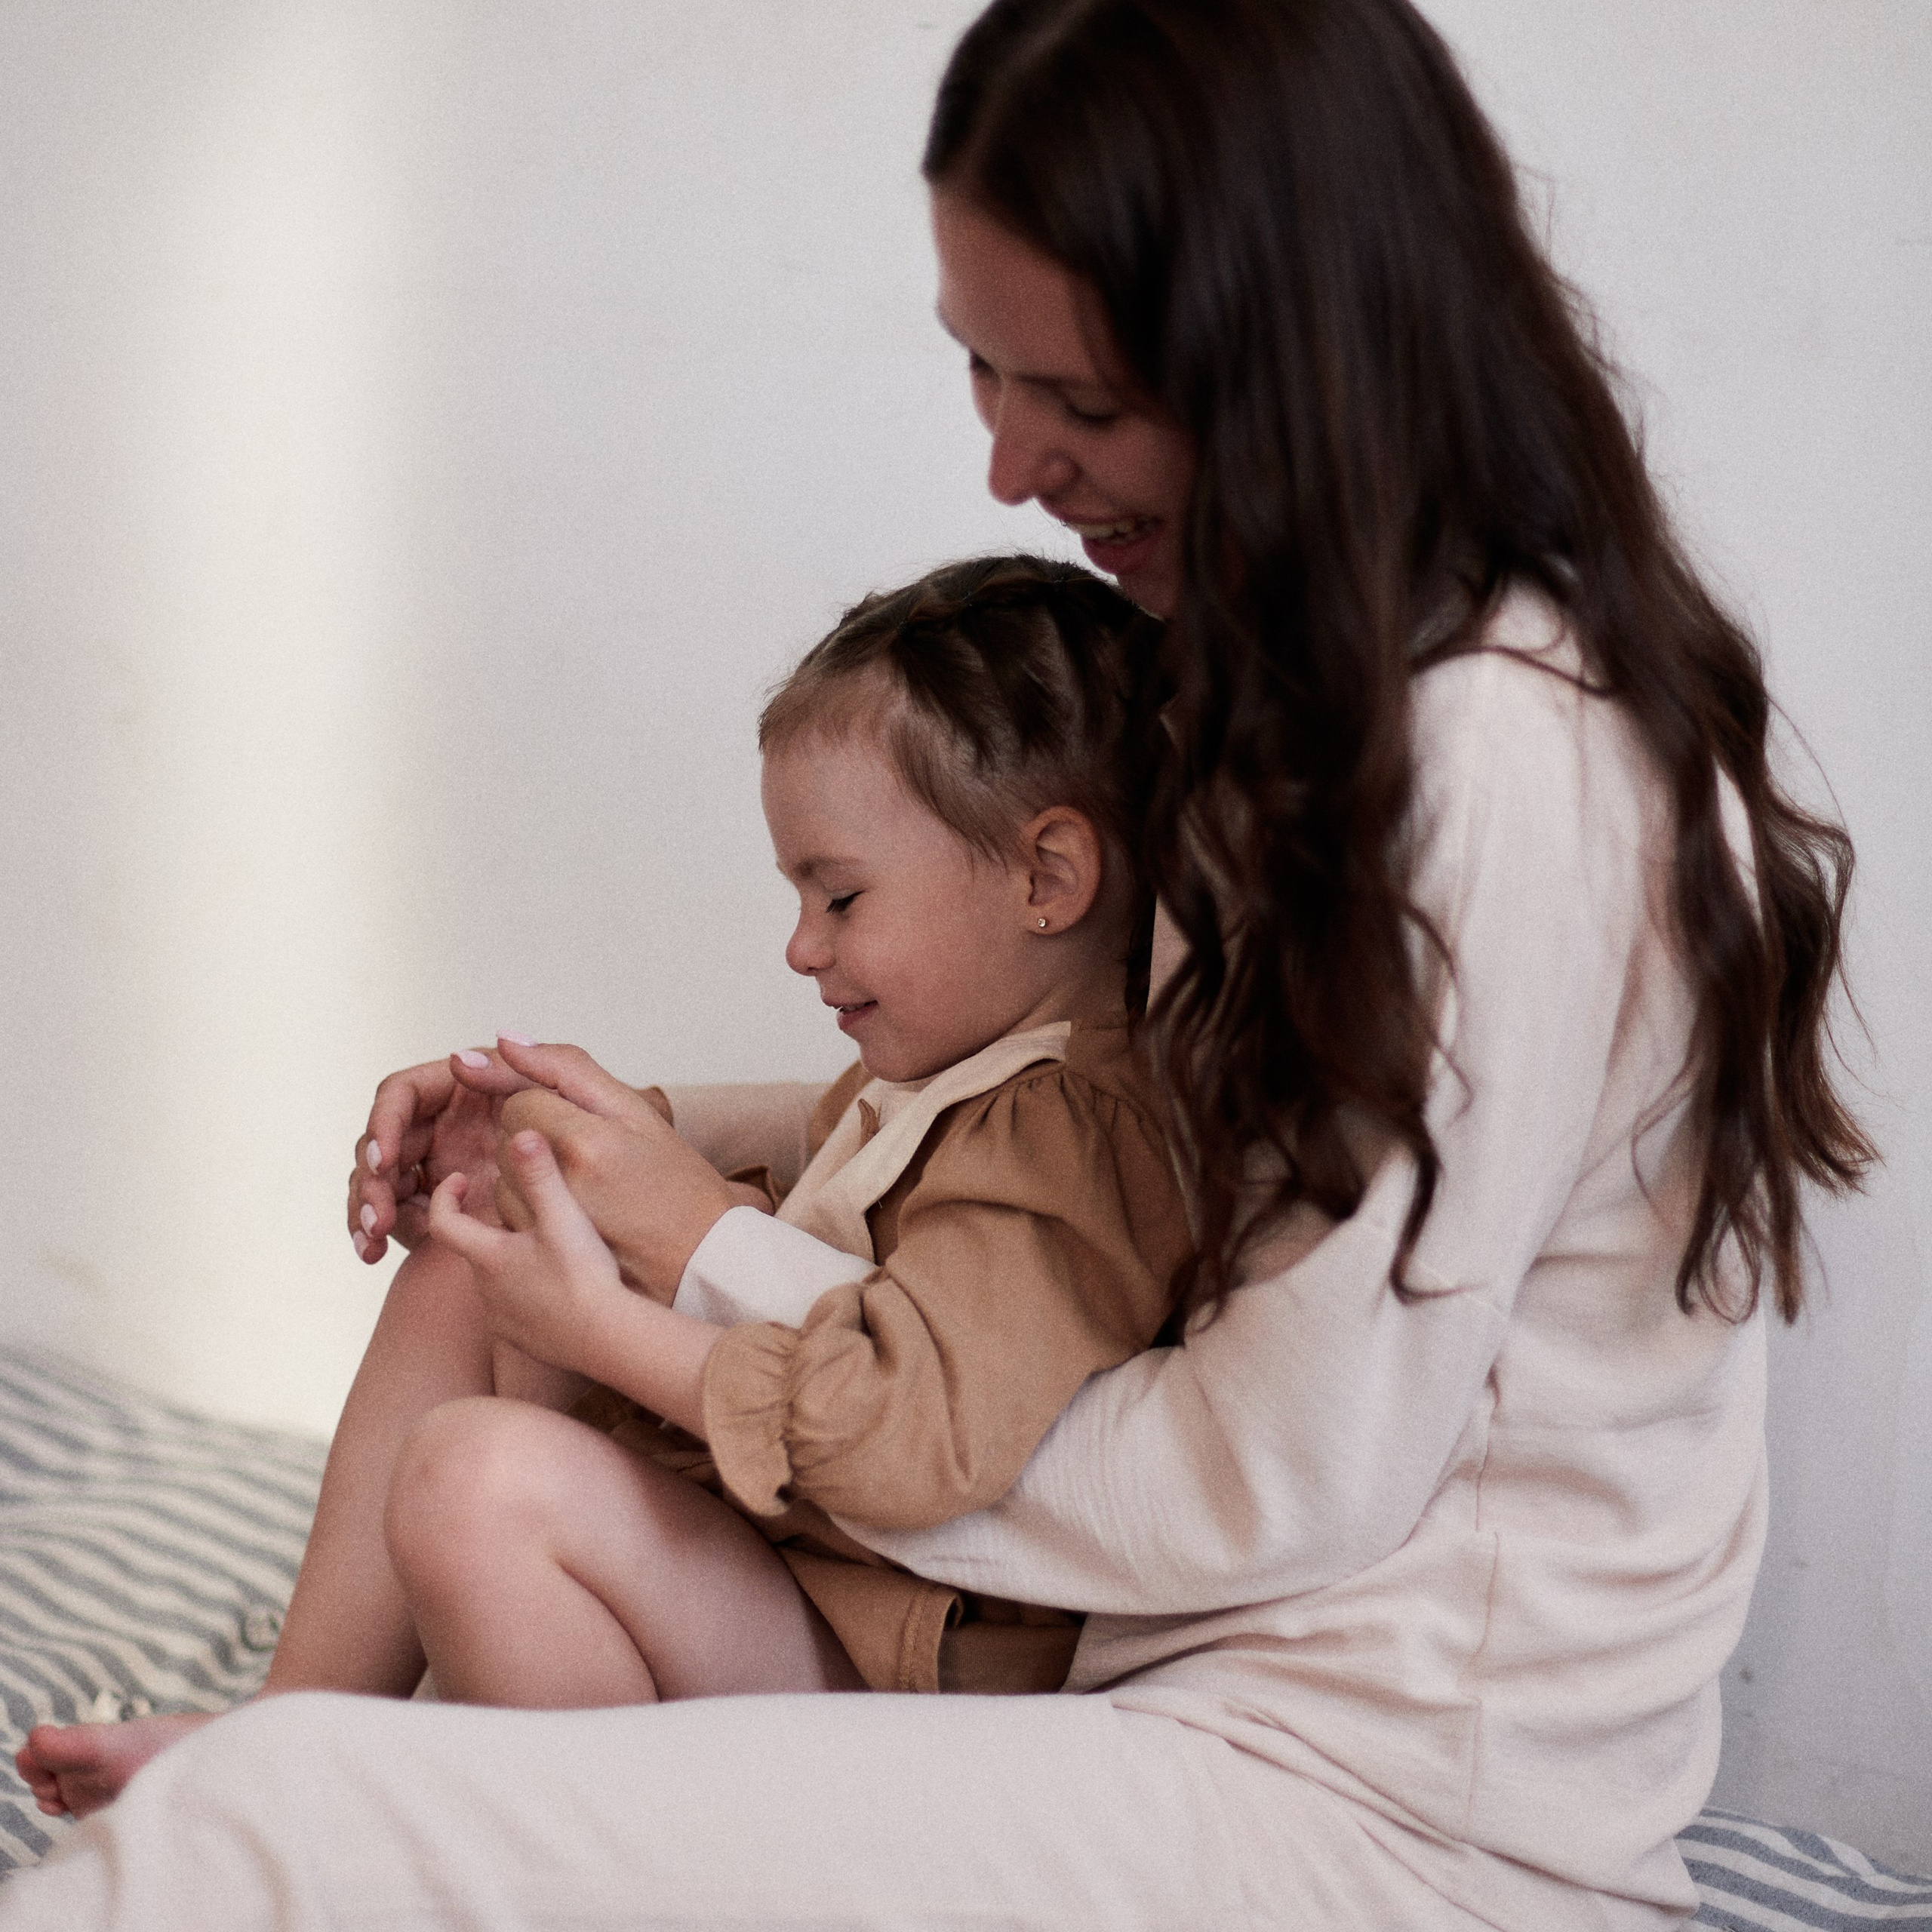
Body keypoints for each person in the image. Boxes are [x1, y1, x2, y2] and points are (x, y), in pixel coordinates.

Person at [0, 0, 1872, 1927]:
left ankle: (280, 1752)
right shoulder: (1301, 703)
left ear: (1294, 366)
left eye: (1073, 398)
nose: (1004, 468)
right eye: (979, 372)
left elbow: (1256, 1486)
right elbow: (1083, 1086)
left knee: (294, 1825)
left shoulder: (1492, 766)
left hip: (1373, 1804)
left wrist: (693, 1255)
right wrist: (620, 1126)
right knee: (463, 1400)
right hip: (1160, 1679)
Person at [16, 552, 1191, 1802]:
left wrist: (612, 1329)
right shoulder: (971, 1069)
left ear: (1048, 880)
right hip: (821, 1579)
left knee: (480, 1485)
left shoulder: (1071, 1128)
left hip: (902, 1669)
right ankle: (294, 1734)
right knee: (477, 1259)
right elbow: (824, 1184)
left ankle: (563, 1856)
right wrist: (570, 1147)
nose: (802, 947)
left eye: (839, 895)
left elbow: (916, 1437)